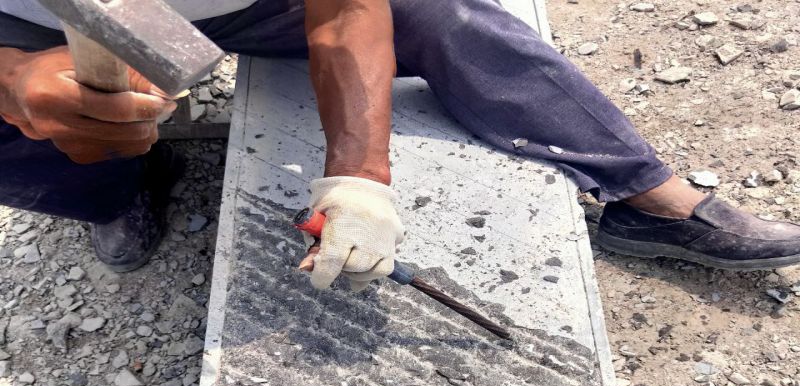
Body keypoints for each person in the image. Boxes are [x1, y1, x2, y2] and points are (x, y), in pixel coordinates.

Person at [1, 1, 799, 283]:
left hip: (250, 3)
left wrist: (359, 175)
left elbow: (348, 6)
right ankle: (119, 187)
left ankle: (641, 194)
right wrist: (8, 77)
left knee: (441, 7)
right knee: (37, 135)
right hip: (32, 31)